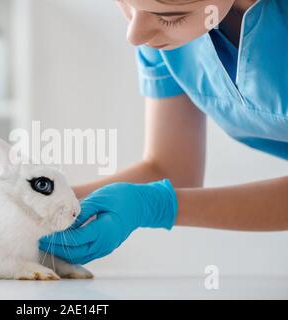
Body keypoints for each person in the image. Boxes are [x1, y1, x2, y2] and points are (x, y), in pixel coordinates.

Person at [39, 0, 288, 265]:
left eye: (170, 18)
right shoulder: (157, 29)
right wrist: (44, 201)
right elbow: (171, 167)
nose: (135, 35)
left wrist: (158, 206)